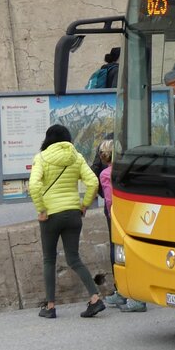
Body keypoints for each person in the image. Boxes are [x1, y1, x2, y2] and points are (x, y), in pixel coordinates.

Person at [29, 124, 105, 318]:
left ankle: (51, 306)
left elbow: (34, 185)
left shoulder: (41, 158)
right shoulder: (76, 157)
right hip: (73, 213)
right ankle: (95, 298)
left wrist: (41, 209)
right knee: (73, 258)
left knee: (49, 259)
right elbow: (93, 182)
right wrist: (85, 205)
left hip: (51, 216)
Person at [95, 141, 148, 313]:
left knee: (119, 255)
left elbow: (110, 200)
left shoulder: (105, 174)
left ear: (104, 155)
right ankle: (133, 294)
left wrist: (113, 218)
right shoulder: (128, 169)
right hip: (135, 216)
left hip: (118, 218)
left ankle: (129, 295)